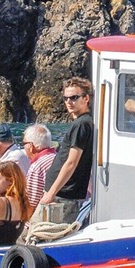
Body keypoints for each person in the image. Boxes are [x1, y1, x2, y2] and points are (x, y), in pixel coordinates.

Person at [38, 78, 94, 224]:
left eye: (74, 97)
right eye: (66, 98)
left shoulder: (81, 124)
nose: (69, 102)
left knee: (46, 236)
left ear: (86, 98)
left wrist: (51, 193)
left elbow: (71, 162)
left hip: (63, 195)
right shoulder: (82, 123)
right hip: (62, 193)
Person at [22, 124, 57, 216]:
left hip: (43, 218)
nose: (23, 148)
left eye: (24, 144)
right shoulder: (57, 158)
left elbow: (31, 204)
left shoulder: (37, 167)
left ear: (31, 146)